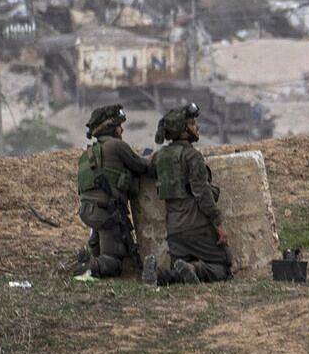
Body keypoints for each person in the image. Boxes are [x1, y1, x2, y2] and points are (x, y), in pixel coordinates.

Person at [151, 104, 231, 285]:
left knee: (177, 271)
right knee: (223, 267)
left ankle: (161, 275)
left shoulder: (159, 157)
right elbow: (203, 194)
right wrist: (219, 226)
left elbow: (146, 168)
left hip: (174, 232)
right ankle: (194, 269)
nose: (197, 127)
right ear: (183, 130)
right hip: (197, 228)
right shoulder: (192, 156)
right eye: (193, 123)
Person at [75, 104, 151, 280]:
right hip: (106, 214)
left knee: (100, 253)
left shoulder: (87, 154)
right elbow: (142, 166)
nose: (122, 129)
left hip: (88, 212)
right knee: (114, 262)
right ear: (110, 128)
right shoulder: (117, 146)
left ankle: (90, 259)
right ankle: (91, 265)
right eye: (119, 126)